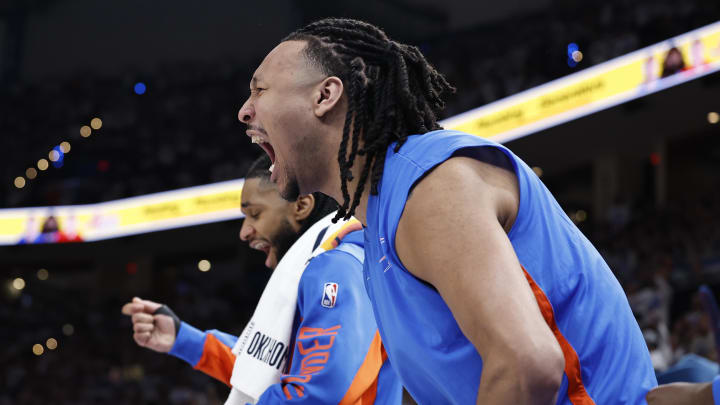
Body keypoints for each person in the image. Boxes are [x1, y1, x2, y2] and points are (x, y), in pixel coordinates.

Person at [237, 18, 657, 404]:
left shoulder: (431, 185)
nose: (245, 111)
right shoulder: (378, 221)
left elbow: (527, 366)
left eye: (260, 90)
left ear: (325, 96)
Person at [122, 155, 401, 404]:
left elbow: (322, 393)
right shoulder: (327, 261)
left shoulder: (338, 266)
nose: (245, 232)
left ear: (301, 206)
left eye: (255, 214)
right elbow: (266, 368)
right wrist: (184, 339)